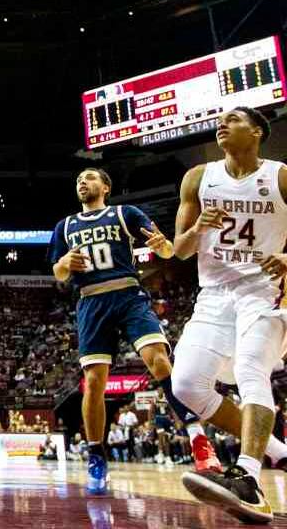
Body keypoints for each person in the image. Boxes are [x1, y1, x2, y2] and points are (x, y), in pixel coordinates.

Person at [48, 167, 212, 496]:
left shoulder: (125, 213)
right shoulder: (65, 226)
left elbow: (166, 251)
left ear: (105, 187)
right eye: (78, 178)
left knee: (160, 362)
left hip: (128, 295)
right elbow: (58, 273)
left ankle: (197, 438)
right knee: (94, 382)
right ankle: (96, 454)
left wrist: (164, 244)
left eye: (90, 177)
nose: (82, 182)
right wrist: (66, 262)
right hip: (91, 302)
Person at [172, 108, 287, 523]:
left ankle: (248, 478)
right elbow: (178, 250)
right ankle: (277, 452)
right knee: (186, 384)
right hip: (214, 295)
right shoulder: (199, 178)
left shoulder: (280, 177)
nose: (221, 124)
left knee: (251, 369)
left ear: (256, 131)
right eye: (218, 120)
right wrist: (198, 228)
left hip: (265, 292)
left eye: (234, 119)